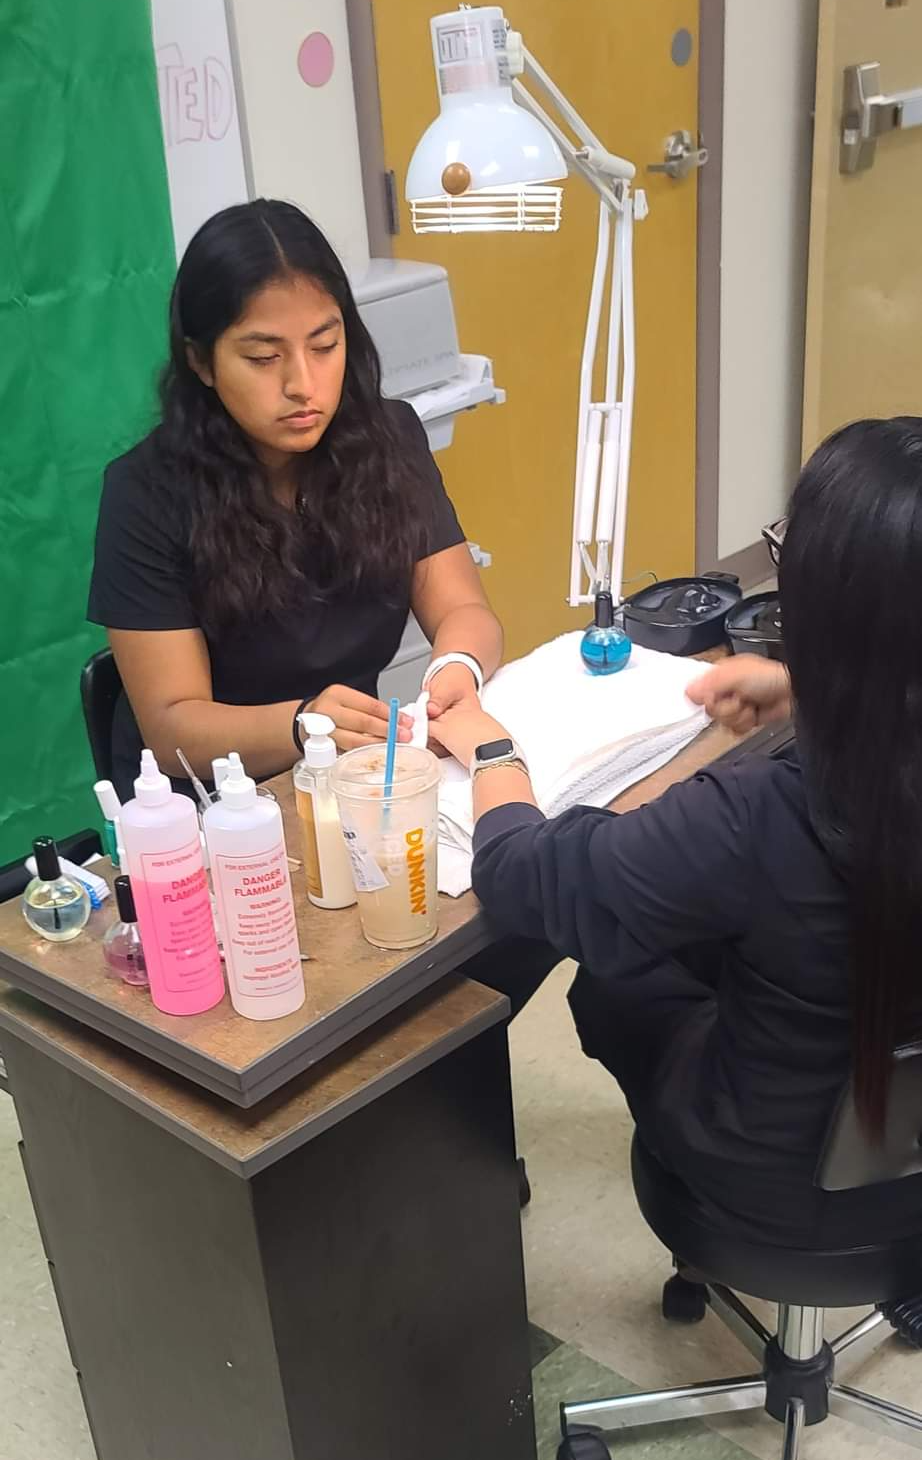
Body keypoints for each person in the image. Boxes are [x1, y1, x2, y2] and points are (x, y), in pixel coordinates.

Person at [428, 418, 922, 1249]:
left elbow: (524, 874)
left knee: (614, 974)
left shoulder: (754, 815)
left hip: (773, 1194)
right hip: (904, 1164)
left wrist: (491, 748)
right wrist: (810, 693)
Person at [87, 198, 505, 798]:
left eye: (324, 345)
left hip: (344, 780)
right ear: (201, 361)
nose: (302, 385)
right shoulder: (146, 493)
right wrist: (306, 723)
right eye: (264, 357)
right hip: (213, 806)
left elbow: (465, 612)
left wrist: (456, 666)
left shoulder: (388, 440)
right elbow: (172, 727)